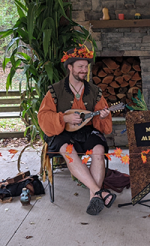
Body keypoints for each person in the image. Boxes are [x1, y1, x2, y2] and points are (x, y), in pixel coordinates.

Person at [38, 44, 116, 215]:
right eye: (80, 66)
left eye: (86, 67)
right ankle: (98, 191)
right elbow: (43, 117)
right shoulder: (55, 90)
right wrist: (63, 118)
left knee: (99, 149)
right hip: (62, 132)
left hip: (86, 130)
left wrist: (102, 117)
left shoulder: (94, 91)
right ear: (70, 67)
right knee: (68, 150)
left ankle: (93, 197)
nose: (83, 70)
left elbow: (104, 123)